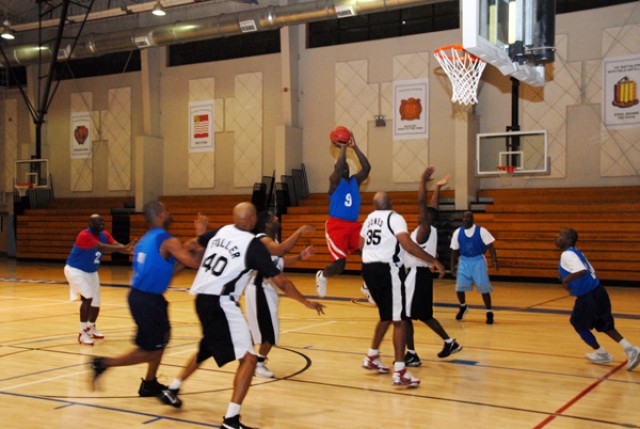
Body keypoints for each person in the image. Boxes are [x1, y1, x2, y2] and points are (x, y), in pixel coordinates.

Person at [159, 202, 325, 429]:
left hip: (201, 301)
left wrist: (171, 273)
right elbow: (282, 282)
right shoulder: (253, 245)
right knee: (249, 359)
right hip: (222, 302)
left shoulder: (222, 230)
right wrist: (306, 302)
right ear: (252, 219)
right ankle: (231, 420)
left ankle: (172, 389)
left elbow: (191, 246)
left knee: (206, 347)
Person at [90, 200, 204, 397]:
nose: (169, 213)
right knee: (151, 350)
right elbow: (195, 263)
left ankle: (150, 383)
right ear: (160, 215)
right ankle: (104, 363)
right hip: (147, 301)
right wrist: (201, 236)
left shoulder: (146, 240)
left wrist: (182, 254)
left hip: (144, 298)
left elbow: (166, 272)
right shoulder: (167, 239)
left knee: (163, 338)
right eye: (166, 210)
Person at [360, 192, 445, 388]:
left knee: (387, 316)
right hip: (387, 270)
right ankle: (400, 372)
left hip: (368, 268)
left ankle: (372, 356)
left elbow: (360, 245)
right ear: (390, 202)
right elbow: (407, 245)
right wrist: (433, 260)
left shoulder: (370, 218)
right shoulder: (395, 218)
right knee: (401, 320)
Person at [555, 227, 639, 370]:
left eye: (560, 235)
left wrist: (565, 281)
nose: (556, 237)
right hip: (598, 291)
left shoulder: (567, 254)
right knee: (604, 325)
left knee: (578, 323)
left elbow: (581, 271)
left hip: (589, 296)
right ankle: (631, 349)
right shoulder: (577, 252)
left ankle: (602, 354)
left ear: (569, 240)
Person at [245, 210, 316, 378]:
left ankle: (249, 361)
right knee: (269, 331)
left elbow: (280, 261)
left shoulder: (271, 241)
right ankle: (258, 363)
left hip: (264, 290)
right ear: (268, 223)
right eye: (275, 218)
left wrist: (299, 257)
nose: (278, 219)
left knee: (259, 329)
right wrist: (299, 231)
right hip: (259, 289)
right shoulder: (262, 239)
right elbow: (280, 250)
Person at [404, 167, 461, 368]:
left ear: (425, 217)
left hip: (416, 276)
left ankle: (411, 354)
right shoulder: (431, 227)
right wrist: (437, 188)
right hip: (421, 276)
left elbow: (423, 204)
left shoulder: (424, 230)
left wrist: (422, 181)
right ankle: (449, 342)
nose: (419, 214)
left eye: (422, 213)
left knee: (404, 316)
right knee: (424, 315)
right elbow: (431, 207)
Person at [316, 131, 371, 297]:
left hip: (354, 226)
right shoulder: (334, 182)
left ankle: (368, 286)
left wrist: (355, 147)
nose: (344, 166)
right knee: (340, 265)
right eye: (341, 166)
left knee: (369, 252)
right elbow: (339, 167)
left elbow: (367, 168)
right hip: (337, 226)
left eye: (347, 165)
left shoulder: (354, 181)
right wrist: (343, 149)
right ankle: (322, 276)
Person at [64, 214, 133, 346]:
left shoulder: (105, 234)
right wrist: (121, 248)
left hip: (91, 272)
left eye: (102, 221)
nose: (101, 223)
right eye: (98, 222)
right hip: (76, 270)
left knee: (96, 303)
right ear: (90, 224)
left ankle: (91, 327)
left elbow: (116, 244)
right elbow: (102, 247)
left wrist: (128, 249)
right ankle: (83, 333)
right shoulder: (84, 235)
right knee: (88, 298)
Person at [450, 210, 499, 324]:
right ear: (462, 219)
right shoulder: (458, 232)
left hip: (478, 260)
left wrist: (494, 259)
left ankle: (489, 312)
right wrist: (452, 266)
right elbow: (454, 250)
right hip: (464, 261)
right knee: (459, 288)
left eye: (468, 217)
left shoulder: (481, 231)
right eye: (464, 217)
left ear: (473, 219)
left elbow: (490, 246)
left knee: (484, 288)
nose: (466, 219)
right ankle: (463, 306)